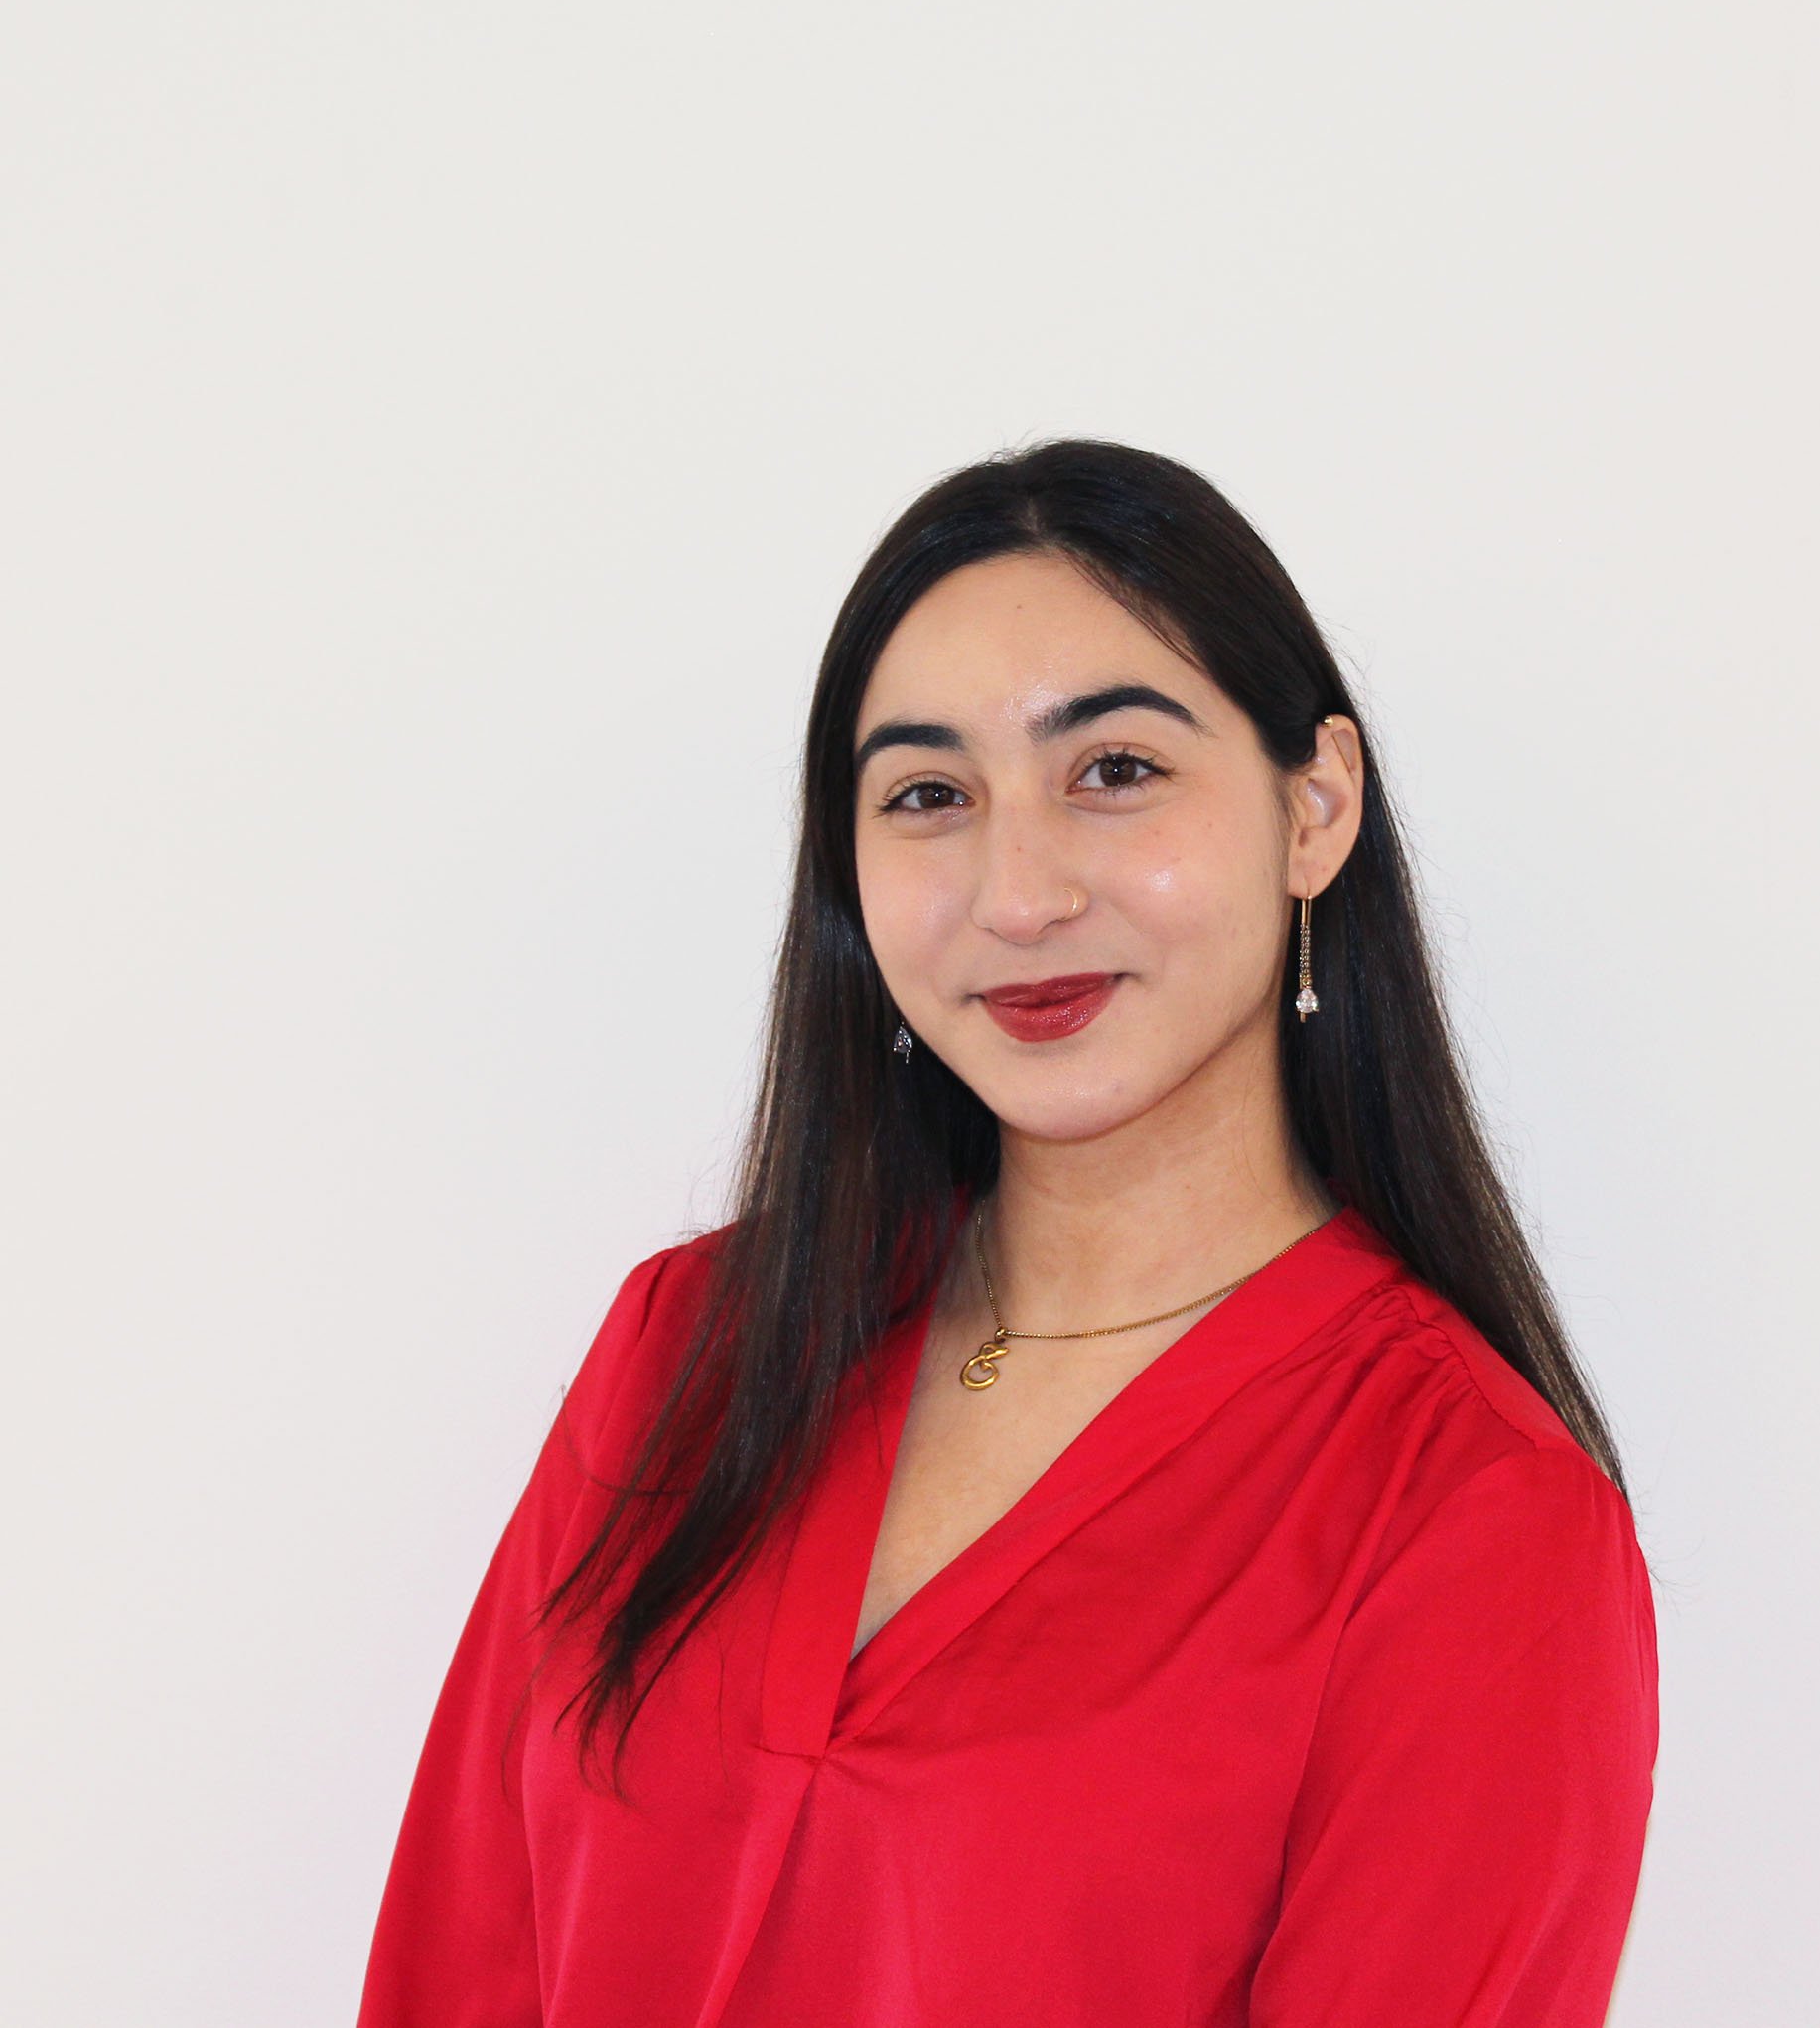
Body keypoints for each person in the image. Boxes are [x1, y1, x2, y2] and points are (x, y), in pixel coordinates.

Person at [355, 438, 1659, 2026]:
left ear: (1315, 806)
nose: (1018, 891)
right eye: (929, 795)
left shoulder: (1471, 1521)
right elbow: (452, 1966)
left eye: (1113, 770)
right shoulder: (685, 1350)